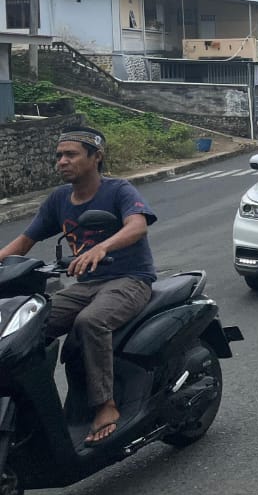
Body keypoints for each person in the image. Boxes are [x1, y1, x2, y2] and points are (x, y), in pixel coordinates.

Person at [0, 127, 158, 446]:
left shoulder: (118, 190)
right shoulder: (59, 199)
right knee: (26, 326)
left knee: (91, 321)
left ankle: (105, 404)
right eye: (59, 155)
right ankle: (31, 408)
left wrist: (102, 247)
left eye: (70, 155)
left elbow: (137, 226)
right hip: (86, 286)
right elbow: (25, 241)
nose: (62, 161)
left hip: (130, 279)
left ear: (96, 157)